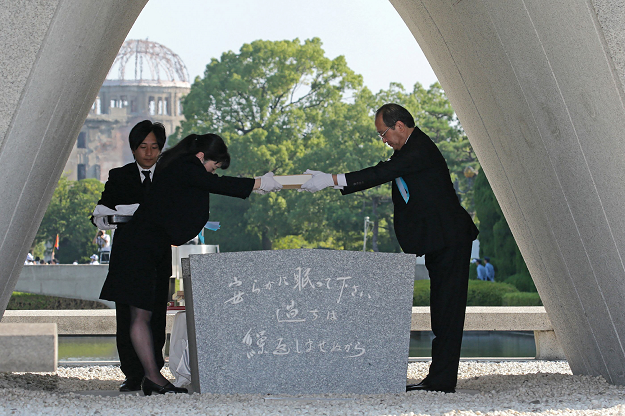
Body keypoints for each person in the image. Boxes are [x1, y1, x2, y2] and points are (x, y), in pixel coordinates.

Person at [300, 103, 478, 393]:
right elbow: (383, 170)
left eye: (383, 133)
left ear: (399, 126)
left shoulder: (418, 150)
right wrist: (333, 183)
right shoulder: (407, 151)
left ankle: (441, 381)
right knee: (442, 311)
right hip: (440, 240)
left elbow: (381, 174)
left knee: (447, 312)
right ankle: (438, 378)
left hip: (450, 239)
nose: (383, 139)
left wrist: (331, 180)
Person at [99, 133, 282, 395]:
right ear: (201, 157)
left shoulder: (177, 166)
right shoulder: (186, 167)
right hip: (141, 247)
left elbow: (207, 186)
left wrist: (257, 183)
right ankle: (152, 376)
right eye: (213, 166)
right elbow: (219, 185)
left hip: (142, 245)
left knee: (142, 315)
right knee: (140, 316)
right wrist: (260, 183)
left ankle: (152, 375)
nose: (211, 172)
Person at [91, 120, 170, 393]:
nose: (148, 153)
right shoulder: (119, 175)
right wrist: (111, 215)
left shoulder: (169, 177)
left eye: (154, 147)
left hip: (158, 256)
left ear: (161, 149)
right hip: (127, 256)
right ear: (133, 149)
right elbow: (101, 212)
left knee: (157, 315)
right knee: (126, 317)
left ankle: (154, 370)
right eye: (142, 147)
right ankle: (133, 374)